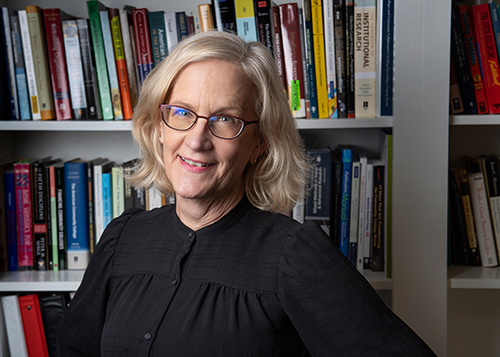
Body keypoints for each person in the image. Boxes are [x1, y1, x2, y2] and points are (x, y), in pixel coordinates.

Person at [57, 31, 435, 356]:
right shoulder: (122, 239)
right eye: (182, 113)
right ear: (158, 126)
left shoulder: (293, 254)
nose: (197, 139)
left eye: (225, 120)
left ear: (259, 145)